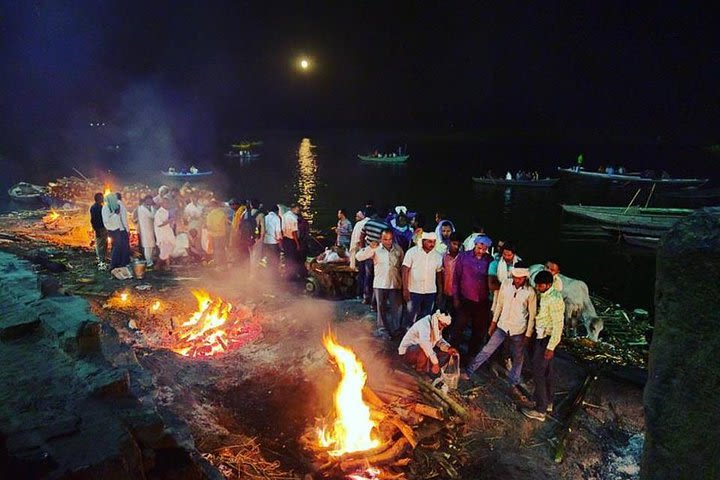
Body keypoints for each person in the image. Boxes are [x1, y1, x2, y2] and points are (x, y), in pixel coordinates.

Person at [461, 265, 536, 401]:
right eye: (515, 277)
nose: (517, 280)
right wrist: (493, 323)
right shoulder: (506, 285)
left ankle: (513, 383)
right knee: (487, 349)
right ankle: (469, 371)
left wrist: (528, 334)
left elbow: (532, 315)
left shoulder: (530, 292)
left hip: (518, 329)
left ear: (525, 278)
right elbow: (499, 305)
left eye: (520, 278)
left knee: (518, 358)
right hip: (502, 325)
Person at [521, 270, 565, 422]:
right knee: (547, 372)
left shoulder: (555, 300)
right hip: (542, 336)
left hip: (547, 339)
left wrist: (550, 347)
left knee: (538, 371)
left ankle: (540, 409)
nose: (538, 288)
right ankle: (549, 401)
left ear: (548, 285)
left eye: (540, 286)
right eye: (537, 285)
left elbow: (558, 326)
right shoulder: (545, 295)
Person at [356, 229, 405, 339]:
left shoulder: (398, 249)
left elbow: (402, 264)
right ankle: (383, 330)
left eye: (390, 239)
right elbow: (358, 257)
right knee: (381, 308)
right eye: (385, 239)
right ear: (381, 239)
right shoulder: (376, 248)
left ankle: (396, 329)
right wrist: (369, 247)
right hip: (380, 283)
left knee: (397, 308)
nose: (388, 242)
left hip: (395, 283)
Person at [451, 235, 493, 359]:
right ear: (475, 245)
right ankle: (452, 354)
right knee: (458, 328)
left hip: (482, 302)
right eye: (479, 248)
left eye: (484, 249)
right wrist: (456, 298)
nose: (481, 251)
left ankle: (470, 357)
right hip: (465, 299)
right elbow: (456, 278)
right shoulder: (464, 257)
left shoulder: (489, 260)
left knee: (478, 332)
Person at [402, 232, 444, 327]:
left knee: (425, 317)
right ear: (423, 241)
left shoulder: (438, 256)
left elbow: (439, 275)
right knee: (410, 315)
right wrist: (405, 288)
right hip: (414, 290)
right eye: (429, 241)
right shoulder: (412, 252)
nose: (432, 244)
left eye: (434, 242)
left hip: (430, 291)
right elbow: (405, 270)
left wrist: (440, 292)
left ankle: (419, 337)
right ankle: (406, 336)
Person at [398, 311, 458, 376]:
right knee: (424, 349)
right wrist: (435, 363)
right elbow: (425, 343)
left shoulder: (437, 325)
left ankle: (426, 368)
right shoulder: (424, 324)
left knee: (446, 353)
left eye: (445, 326)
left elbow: (438, 340)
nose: (442, 327)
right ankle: (419, 370)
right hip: (407, 352)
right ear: (437, 320)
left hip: (420, 350)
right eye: (442, 324)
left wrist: (448, 348)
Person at [360, 210, 391, 307]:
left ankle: (366, 297)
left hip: (369, 253)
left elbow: (362, 235)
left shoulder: (369, 223)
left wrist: (363, 248)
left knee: (368, 276)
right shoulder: (386, 226)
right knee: (377, 277)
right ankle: (375, 301)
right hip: (379, 254)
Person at [102, 193, 131, 271]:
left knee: (120, 247)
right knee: (118, 247)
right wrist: (115, 214)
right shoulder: (106, 208)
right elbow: (106, 220)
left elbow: (120, 219)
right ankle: (115, 264)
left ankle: (120, 263)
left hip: (118, 229)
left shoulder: (116, 206)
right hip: (114, 230)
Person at [440, 233, 461, 315]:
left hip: (457, 294)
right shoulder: (443, 256)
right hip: (444, 292)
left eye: (459, 244)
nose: (456, 247)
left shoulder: (462, 257)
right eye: (454, 244)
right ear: (449, 242)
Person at [153, 197, 176, 270]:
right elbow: (159, 224)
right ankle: (157, 266)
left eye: (168, 203)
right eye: (165, 203)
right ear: (162, 204)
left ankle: (167, 265)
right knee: (164, 251)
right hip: (162, 234)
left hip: (168, 233)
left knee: (168, 250)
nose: (167, 204)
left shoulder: (167, 211)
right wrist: (169, 221)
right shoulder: (158, 213)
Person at [206, 199, 229, 268]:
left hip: (214, 235)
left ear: (212, 206)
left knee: (216, 250)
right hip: (222, 235)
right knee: (222, 250)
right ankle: (224, 265)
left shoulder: (210, 215)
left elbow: (209, 226)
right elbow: (226, 224)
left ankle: (218, 265)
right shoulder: (222, 214)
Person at [282, 203, 302, 279]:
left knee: (287, 257)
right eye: (298, 209)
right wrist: (297, 244)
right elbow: (294, 232)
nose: (299, 210)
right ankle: (292, 275)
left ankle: (287, 274)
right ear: (293, 208)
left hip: (285, 239)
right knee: (292, 258)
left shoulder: (285, 215)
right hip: (292, 240)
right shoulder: (293, 218)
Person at [136, 195, 156, 267]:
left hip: (149, 229)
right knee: (147, 246)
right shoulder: (142, 208)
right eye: (150, 200)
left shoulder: (145, 208)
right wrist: (152, 207)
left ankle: (150, 261)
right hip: (145, 229)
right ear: (146, 200)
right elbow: (152, 216)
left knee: (151, 246)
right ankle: (149, 262)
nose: (151, 202)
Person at [89, 192, 108, 270]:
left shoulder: (100, 206)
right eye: (101, 198)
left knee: (104, 244)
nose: (103, 199)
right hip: (99, 228)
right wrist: (96, 230)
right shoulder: (95, 207)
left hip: (103, 228)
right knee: (100, 245)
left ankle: (103, 258)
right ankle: (101, 261)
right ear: (98, 199)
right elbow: (93, 220)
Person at [263, 204, 283, 272]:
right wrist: (280, 244)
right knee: (275, 259)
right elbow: (278, 232)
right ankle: (274, 274)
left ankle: (268, 274)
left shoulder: (265, 217)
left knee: (268, 258)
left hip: (266, 241)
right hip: (274, 242)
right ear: (277, 211)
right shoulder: (276, 218)